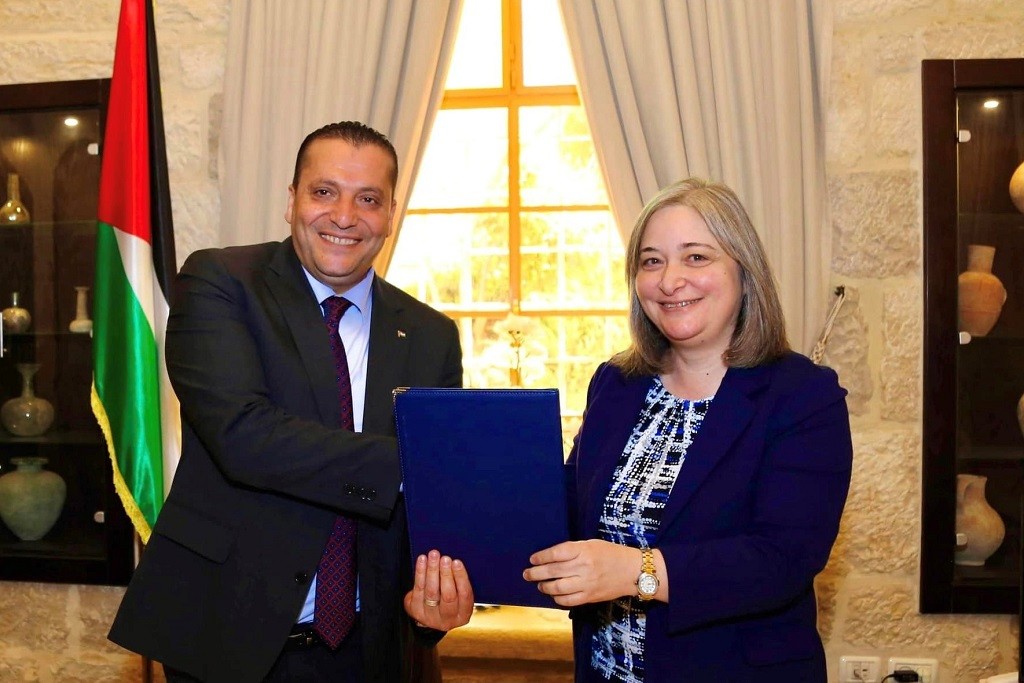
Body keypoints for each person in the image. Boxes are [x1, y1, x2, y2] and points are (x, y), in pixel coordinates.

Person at [109, 121, 475, 682]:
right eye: (324, 191)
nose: (344, 216)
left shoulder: (431, 335)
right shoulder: (220, 281)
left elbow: (433, 515)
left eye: (368, 199)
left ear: (390, 215)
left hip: (372, 652)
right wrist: (414, 463)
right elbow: (245, 436)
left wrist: (434, 607)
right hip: (226, 642)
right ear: (292, 201)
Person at [523, 177, 852, 681]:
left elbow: (782, 559)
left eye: (696, 257)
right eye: (652, 261)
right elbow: (564, 511)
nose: (670, 280)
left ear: (744, 271)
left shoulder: (803, 396)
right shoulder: (615, 383)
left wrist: (637, 572)